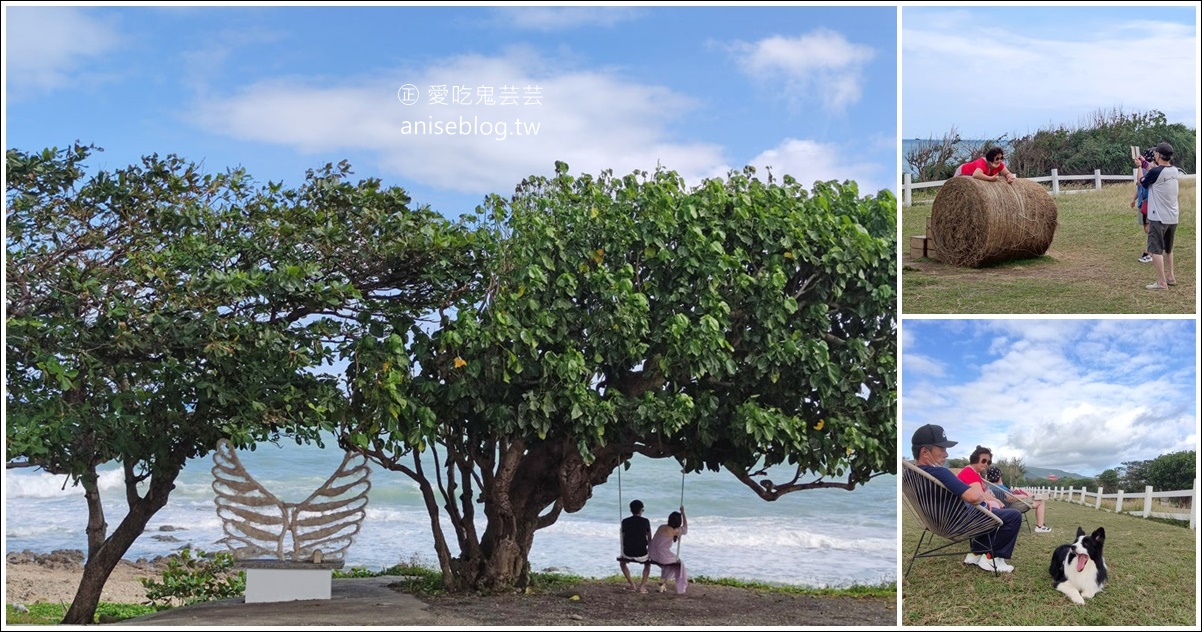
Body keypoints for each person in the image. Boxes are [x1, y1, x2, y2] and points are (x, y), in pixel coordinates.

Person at [910, 425, 1022, 573]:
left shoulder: (909, 475)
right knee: (1013, 516)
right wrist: (985, 500)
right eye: (942, 449)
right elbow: (973, 497)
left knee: (982, 511)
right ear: (925, 452)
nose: (946, 454)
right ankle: (992, 558)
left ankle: (975, 554)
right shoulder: (940, 473)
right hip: (957, 524)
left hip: (934, 523)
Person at [1137, 142, 1180, 290]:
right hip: (1173, 217)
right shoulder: (1174, 170)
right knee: (1168, 249)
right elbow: (1155, 173)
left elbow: (1142, 181)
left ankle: (1161, 282)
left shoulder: (1156, 172)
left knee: (1155, 250)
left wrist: (1139, 167)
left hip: (1158, 217)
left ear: (1159, 155)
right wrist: (1144, 162)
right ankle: (1170, 276)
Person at [985, 465, 1051, 533]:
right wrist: (1023, 495)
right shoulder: (999, 487)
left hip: (1006, 506)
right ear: (999, 476)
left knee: (1032, 497)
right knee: (1040, 502)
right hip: (1011, 506)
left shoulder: (990, 487)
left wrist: (1014, 492)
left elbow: (1007, 495)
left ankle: (1035, 496)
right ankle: (1040, 526)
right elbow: (1009, 498)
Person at [649, 506, 688, 594]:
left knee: (668, 565)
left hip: (652, 553)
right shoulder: (675, 531)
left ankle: (662, 587)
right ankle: (665, 580)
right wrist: (683, 513)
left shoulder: (661, 526)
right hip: (660, 554)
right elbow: (685, 529)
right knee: (679, 564)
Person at [618, 500, 653, 592]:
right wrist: (650, 552)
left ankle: (632, 585)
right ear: (641, 510)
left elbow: (623, 537)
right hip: (642, 554)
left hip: (627, 553)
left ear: (630, 510)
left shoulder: (625, 521)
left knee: (622, 563)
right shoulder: (645, 521)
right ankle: (642, 587)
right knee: (648, 565)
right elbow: (649, 538)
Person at [1131, 148, 1154, 263]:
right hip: (1142, 202)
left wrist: (1140, 166)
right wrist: (1133, 199)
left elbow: (1141, 182)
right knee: (1147, 227)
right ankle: (1152, 249)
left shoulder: (1150, 170)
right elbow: (1138, 186)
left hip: (1149, 202)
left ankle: (1149, 252)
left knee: (1148, 228)